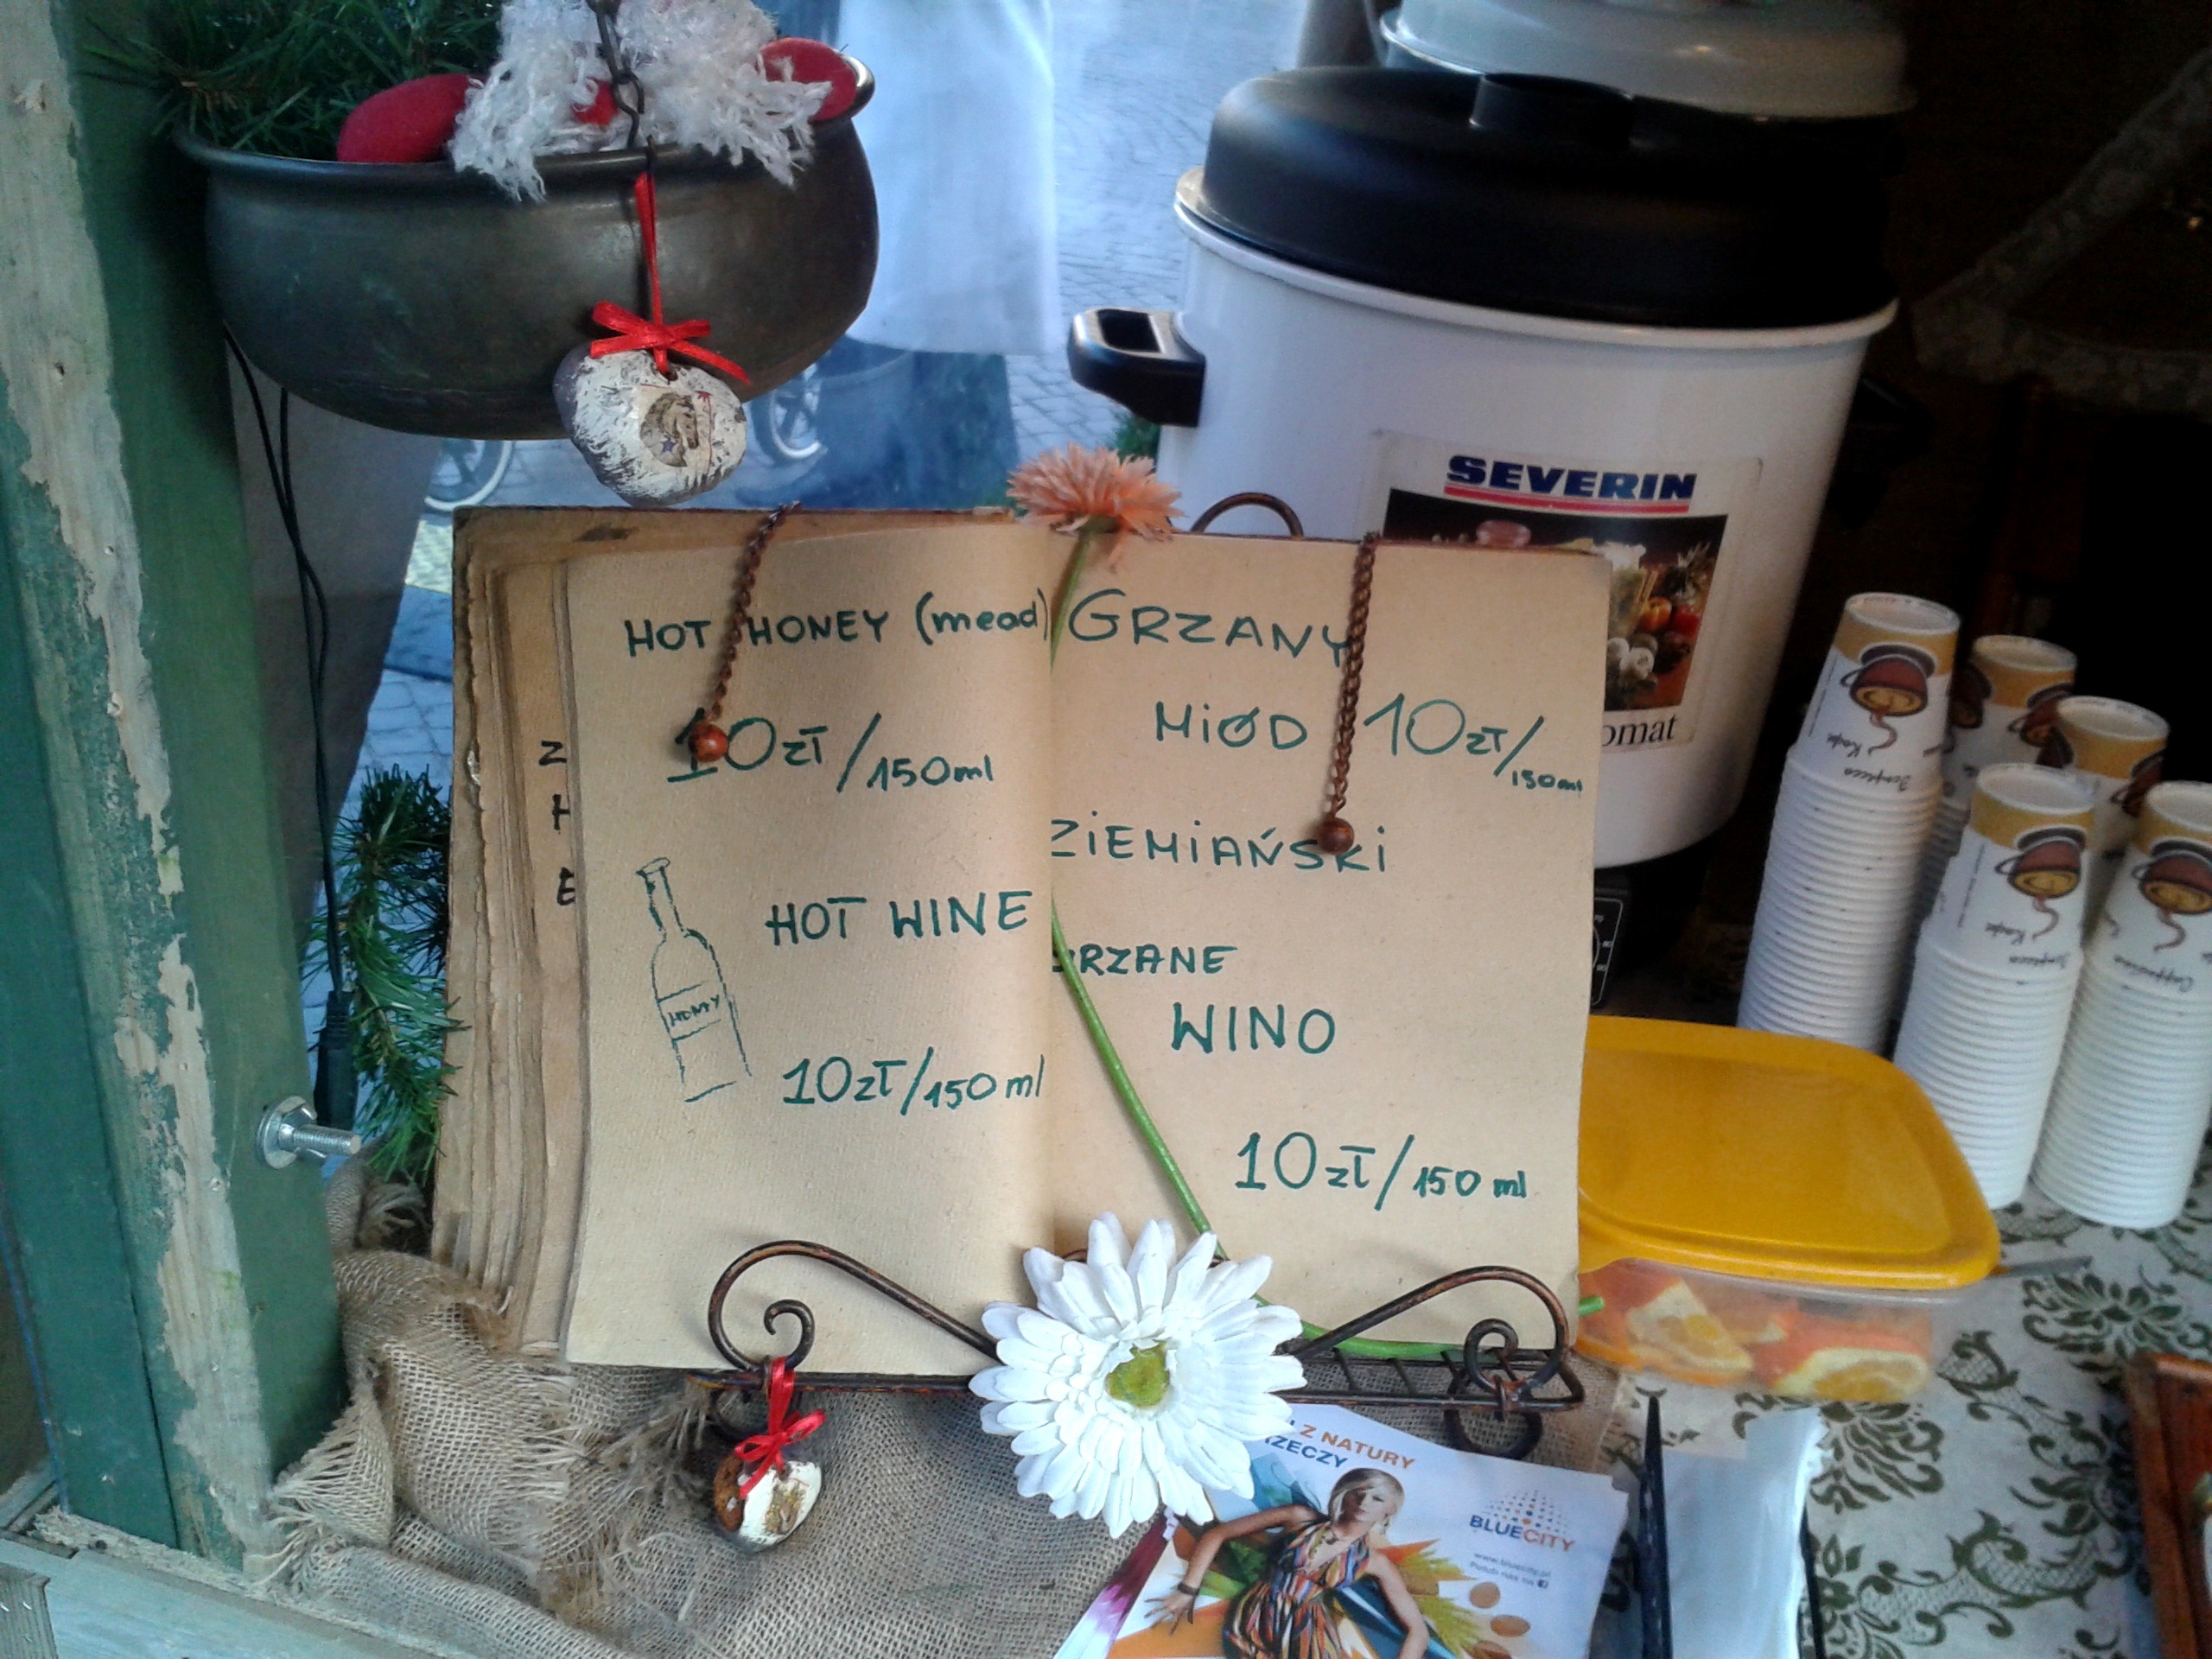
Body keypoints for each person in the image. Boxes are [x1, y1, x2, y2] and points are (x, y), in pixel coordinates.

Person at [1150, 1468, 1428, 1659]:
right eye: (1358, 1492)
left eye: (1377, 1498)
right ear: (1344, 1493)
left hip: (1310, 1636)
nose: (1364, 1502)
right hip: (1255, 1617)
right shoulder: (1299, 1517)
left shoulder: (1374, 1562)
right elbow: (1218, 1534)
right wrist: (1188, 1589)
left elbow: (1418, 1632)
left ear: (1388, 1511)